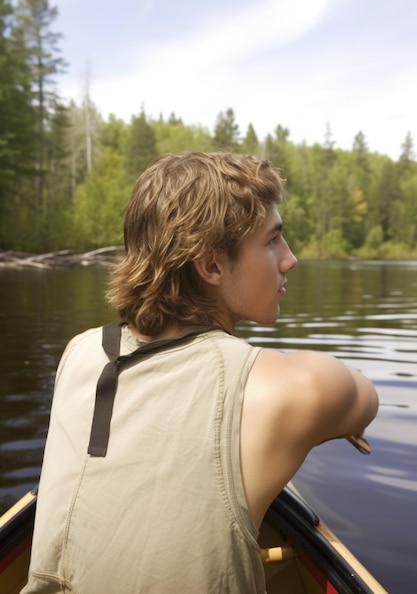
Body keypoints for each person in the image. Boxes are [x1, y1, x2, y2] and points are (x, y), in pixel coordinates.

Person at [21, 152, 378, 594]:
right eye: (272, 241)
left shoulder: (78, 351)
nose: (290, 260)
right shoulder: (297, 387)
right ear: (210, 266)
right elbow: (365, 400)